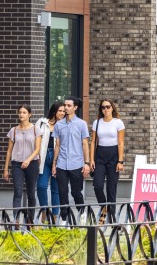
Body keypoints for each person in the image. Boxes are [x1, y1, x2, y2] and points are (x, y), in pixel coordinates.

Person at [52, 96, 91, 225]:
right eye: (65, 105)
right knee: (62, 192)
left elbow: (85, 144)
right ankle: (64, 219)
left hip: (76, 163)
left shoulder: (81, 124)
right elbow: (57, 145)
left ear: (75, 107)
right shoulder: (59, 124)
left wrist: (86, 163)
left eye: (69, 106)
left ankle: (82, 212)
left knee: (76, 192)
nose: (66, 108)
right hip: (62, 164)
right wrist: (54, 164)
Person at [3, 104, 42, 224]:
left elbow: (37, 149)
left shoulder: (36, 129)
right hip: (16, 164)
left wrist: (28, 160)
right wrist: (5, 169)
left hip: (32, 163)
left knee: (31, 192)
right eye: (20, 112)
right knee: (17, 192)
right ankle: (16, 220)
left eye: (24, 112)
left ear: (29, 115)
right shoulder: (13, 131)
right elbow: (9, 150)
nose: (21, 114)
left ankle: (30, 220)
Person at [89, 99, 125, 223]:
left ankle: (112, 218)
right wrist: (91, 159)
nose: (105, 109)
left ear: (112, 108)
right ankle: (104, 207)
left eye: (108, 107)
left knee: (111, 188)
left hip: (114, 157)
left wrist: (120, 161)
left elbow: (120, 142)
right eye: (103, 107)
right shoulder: (97, 122)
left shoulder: (118, 123)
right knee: (97, 185)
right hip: (100, 156)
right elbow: (93, 142)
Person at [35, 102, 65, 224]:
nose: (62, 113)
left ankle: (55, 216)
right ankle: (44, 210)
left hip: (58, 158)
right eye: (60, 111)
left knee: (55, 189)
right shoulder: (42, 122)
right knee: (41, 186)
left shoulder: (64, 125)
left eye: (64, 111)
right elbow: (35, 140)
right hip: (43, 156)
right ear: (54, 111)